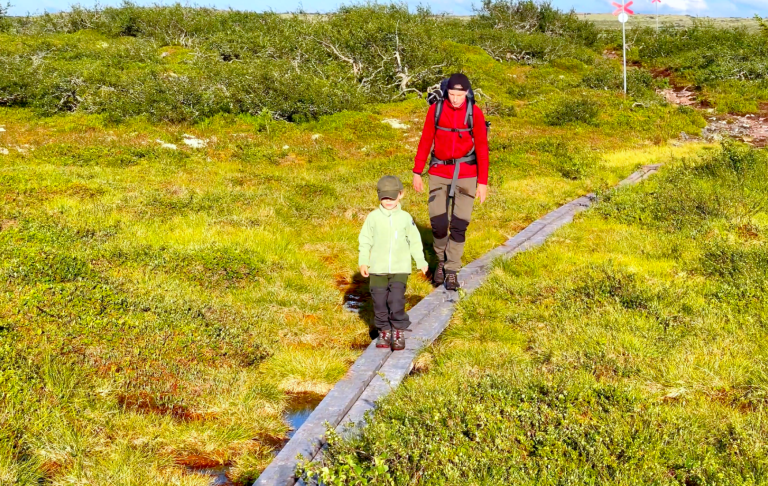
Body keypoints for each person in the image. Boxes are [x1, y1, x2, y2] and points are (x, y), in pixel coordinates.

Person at [412, 73, 489, 291]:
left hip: (467, 174)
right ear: (447, 92)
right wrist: (417, 171)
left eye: (460, 95)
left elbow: (482, 149)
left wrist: (482, 182)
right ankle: (441, 262)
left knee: (459, 225)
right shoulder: (435, 110)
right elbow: (426, 140)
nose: (455, 99)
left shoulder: (475, 113)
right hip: (439, 171)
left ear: (467, 93)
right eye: (452, 94)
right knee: (438, 224)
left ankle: (452, 270)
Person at [359, 176, 428, 351]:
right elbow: (365, 240)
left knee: (396, 300)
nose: (388, 201)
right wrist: (364, 262)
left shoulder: (405, 218)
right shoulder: (373, 217)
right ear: (379, 196)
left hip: (400, 269)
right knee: (379, 301)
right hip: (377, 269)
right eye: (384, 197)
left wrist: (420, 260)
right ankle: (384, 331)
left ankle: (397, 331)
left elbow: (414, 240)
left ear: (401, 194)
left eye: (392, 197)